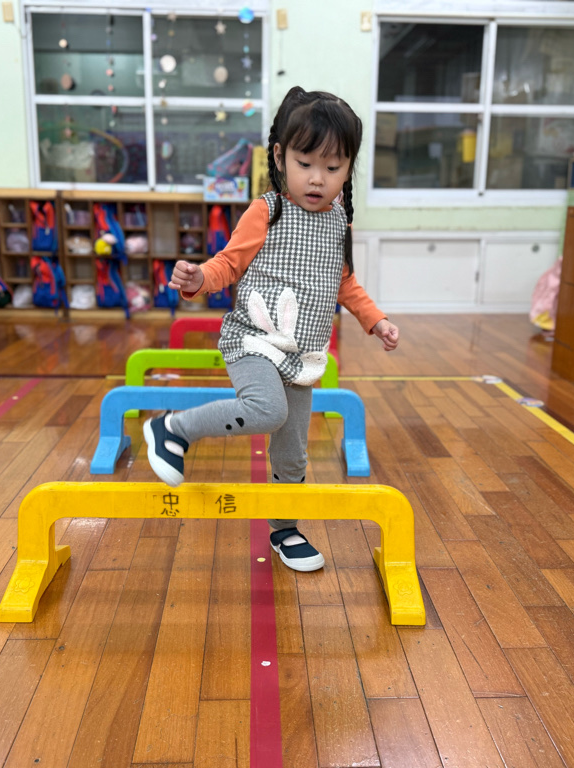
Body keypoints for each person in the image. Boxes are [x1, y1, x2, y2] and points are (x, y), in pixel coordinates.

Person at [143, 86, 399, 572]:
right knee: (267, 410)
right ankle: (172, 428)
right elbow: (228, 263)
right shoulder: (268, 211)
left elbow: (344, 282)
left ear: (349, 168)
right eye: (306, 164)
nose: (318, 178)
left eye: (333, 167)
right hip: (253, 340)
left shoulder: (338, 221)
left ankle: (284, 530)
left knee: (293, 452)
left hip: (301, 354)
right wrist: (199, 279)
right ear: (280, 157)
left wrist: (376, 320)